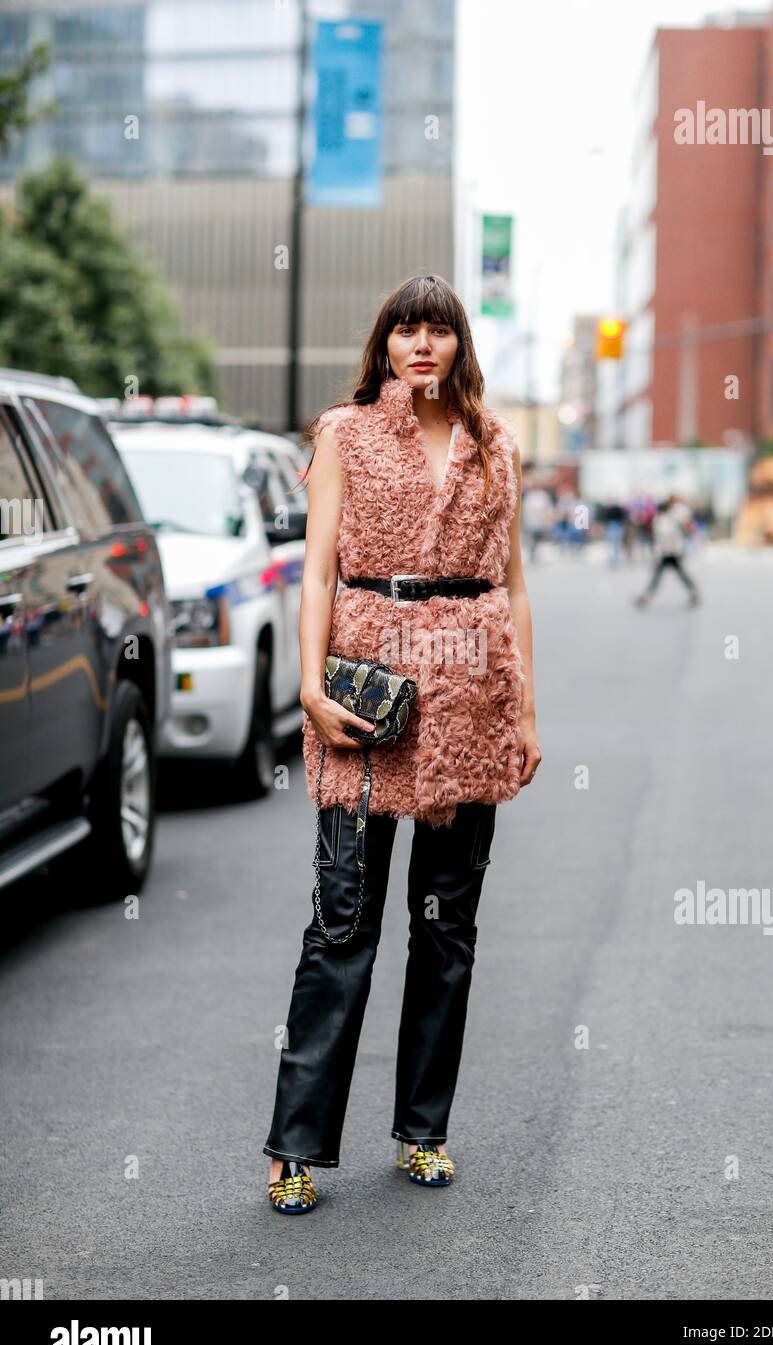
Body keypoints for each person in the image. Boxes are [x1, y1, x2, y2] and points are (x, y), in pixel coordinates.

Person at [262, 273, 541, 1213]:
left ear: (462, 347)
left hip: (470, 704)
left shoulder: (497, 448)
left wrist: (526, 714)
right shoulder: (344, 435)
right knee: (342, 922)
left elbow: (513, 588)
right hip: (366, 704)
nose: (422, 346)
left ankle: (422, 1132)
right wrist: (308, 683)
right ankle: (295, 1147)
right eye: (405, 331)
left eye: (440, 332)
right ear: (384, 346)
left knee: (445, 930)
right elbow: (316, 574)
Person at [634, 495, 700, 607]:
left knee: (663, 573)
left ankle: (647, 595)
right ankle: (693, 591)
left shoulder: (665, 519)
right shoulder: (668, 518)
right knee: (674, 572)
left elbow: (664, 535)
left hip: (669, 551)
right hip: (670, 550)